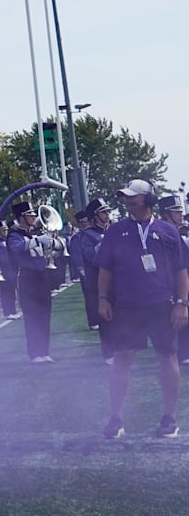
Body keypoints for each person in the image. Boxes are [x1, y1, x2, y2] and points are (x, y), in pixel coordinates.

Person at [96, 179, 189, 439]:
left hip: (162, 305)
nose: (127, 200)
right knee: (121, 359)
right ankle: (115, 418)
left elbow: (182, 270)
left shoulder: (168, 232)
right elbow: (105, 269)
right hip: (127, 306)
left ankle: (170, 418)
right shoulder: (115, 231)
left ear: (148, 199)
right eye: (125, 197)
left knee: (167, 357)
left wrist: (182, 303)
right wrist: (102, 298)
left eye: (133, 197)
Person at [7, 201, 63, 363]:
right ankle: (34, 353)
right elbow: (16, 249)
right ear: (22, 217)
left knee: (45, 314)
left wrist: (52, 244)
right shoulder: (14, 234)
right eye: (30, 214)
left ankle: (44, 351)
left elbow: (51, 251)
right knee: (32, 316)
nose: (33, 217)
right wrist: (38, 241)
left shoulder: (33, 233)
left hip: (42, 275)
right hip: (27, 277)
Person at [156, 195, 189, 365]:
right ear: (166, 213)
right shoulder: (160, 232)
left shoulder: (181, 231)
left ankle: (184, 352)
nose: (180, 214)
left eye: (180, 211)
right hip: (167, 282)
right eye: (176, 212)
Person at [80, 198, 114, 363]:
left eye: (108, 211)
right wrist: (104, 246)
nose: (107, 214)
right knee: (105, 318)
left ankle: (120, 349)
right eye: (103, 212)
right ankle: (109, 353)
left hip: (116, 280)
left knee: (119, 316)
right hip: (98, 281)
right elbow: (90, 256)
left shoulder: (112, 230)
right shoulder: (88, 234)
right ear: (95, 216)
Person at [0, 221, 21, 320]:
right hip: (3, 270)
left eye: (6, 230)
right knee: (6, 292)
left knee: (12, 291)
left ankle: (13, 310)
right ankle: (7, 312)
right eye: (3, 230)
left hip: (11, 269)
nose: (5, 232)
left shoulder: (7, 241)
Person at [67, 211, 90, 283]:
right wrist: (83, 273)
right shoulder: (77, 238)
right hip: (87, 272)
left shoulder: (92, 235)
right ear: (81, 223)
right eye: (87, 221)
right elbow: (78, 257)